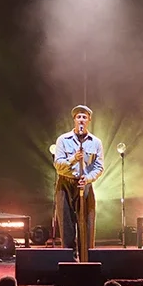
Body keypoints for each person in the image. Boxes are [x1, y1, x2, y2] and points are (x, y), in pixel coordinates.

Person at [53, 105, 104, 255]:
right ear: (74, 120)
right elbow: (58, 165)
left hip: (84, 186)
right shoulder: (63, 140)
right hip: (65, 185)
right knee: (66, 225)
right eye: (78, 117)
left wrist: (87, 178)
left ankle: (87, 261)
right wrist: (73, 159)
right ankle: (68, 262)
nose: (81, 120)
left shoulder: (96, 142)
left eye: (84, 117)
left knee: (86, 226)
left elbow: (99, 167)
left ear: (89, 120)